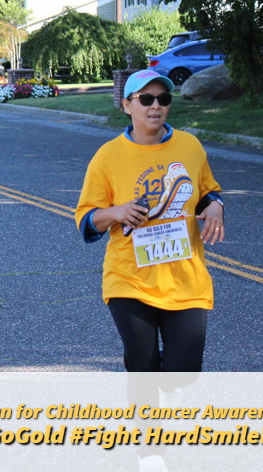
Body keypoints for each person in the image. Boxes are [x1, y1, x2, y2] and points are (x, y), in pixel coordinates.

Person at [75, 69, 225, 372]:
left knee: (183, 372)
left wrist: (215, 207)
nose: (155, 106)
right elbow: (87, 220)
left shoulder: (190, 146)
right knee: (144, 368)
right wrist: (116, 212)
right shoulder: (108, 156)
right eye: (145, 99)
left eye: (163, 99)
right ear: (127, 105)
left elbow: (207, 191)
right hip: (130, 279)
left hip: (185, 278)